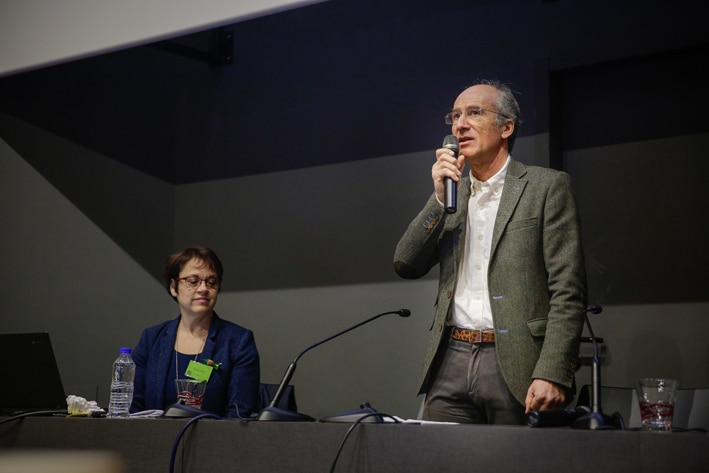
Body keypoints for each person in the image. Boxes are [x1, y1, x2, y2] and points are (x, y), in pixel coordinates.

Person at [394, 79, 587, 424]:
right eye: (455, 116)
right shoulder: (453, 195)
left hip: (518, 361)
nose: (460, 125)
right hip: (450, 358)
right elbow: (405, 262)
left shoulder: (545, 187)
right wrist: (439, 198)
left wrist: (554, 371)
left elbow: (568, 290)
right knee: (436, 453)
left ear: (506, 128)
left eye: (474, 113)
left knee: (515, 454)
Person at [130, 246, 260, 418]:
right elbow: (133, 406)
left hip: (213, 435)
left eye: (212, 282)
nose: (203, 288)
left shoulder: (238, 341)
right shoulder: (152, 338)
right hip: (153, 434)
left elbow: (239, 415)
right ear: (173, 287)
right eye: (193, 281)